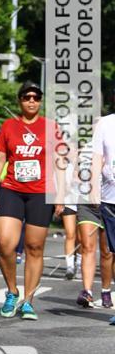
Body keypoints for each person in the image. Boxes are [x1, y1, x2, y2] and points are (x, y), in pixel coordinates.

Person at [0, 81, 63, 320]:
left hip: (41, 192)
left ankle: (28, 300)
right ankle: (11, 291)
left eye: (36, 97)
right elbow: (0, 158)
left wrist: (61, 195)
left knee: (34, 247)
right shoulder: (9, 125)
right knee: (5, 244)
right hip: (11, 189)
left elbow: (59, 162)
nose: (32, 100)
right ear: (20, 100)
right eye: (27, 97)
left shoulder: (51, 127)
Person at [75, 113, 115, 308]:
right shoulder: (84, 150)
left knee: (107, 251)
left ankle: (106, 290)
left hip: (108, 201)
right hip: (88, 201)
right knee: (87, 246)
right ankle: (87, 291)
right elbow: (74, 172)